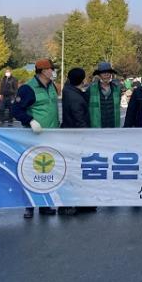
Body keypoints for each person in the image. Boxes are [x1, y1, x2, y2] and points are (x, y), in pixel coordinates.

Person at [11, 58, 60, 219]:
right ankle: (29, 206)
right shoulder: (28, 88)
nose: (53, 72)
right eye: (51, 69)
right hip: (34, 137)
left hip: (50, 136)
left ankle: (44, 205)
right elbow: (16, 110)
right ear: (43, 71)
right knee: (32, 171)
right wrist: (30, 121)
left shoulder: (52, 86)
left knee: (46, 171)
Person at [60, 67, 90, 215]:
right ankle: (70, 203)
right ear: (82, 80)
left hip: (68, 134)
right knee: (75, 171)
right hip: (76, 138)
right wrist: (86, 137)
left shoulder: (68, 91)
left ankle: (77, 202)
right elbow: (80, 120)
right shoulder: (76, 97)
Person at [88, 61, 122, 129]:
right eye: (103, 72)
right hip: (97, 127)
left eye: (108, 72)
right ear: (99, 75)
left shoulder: (117, 89)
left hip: (113, 126)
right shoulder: (91, 89)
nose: (106, 74)